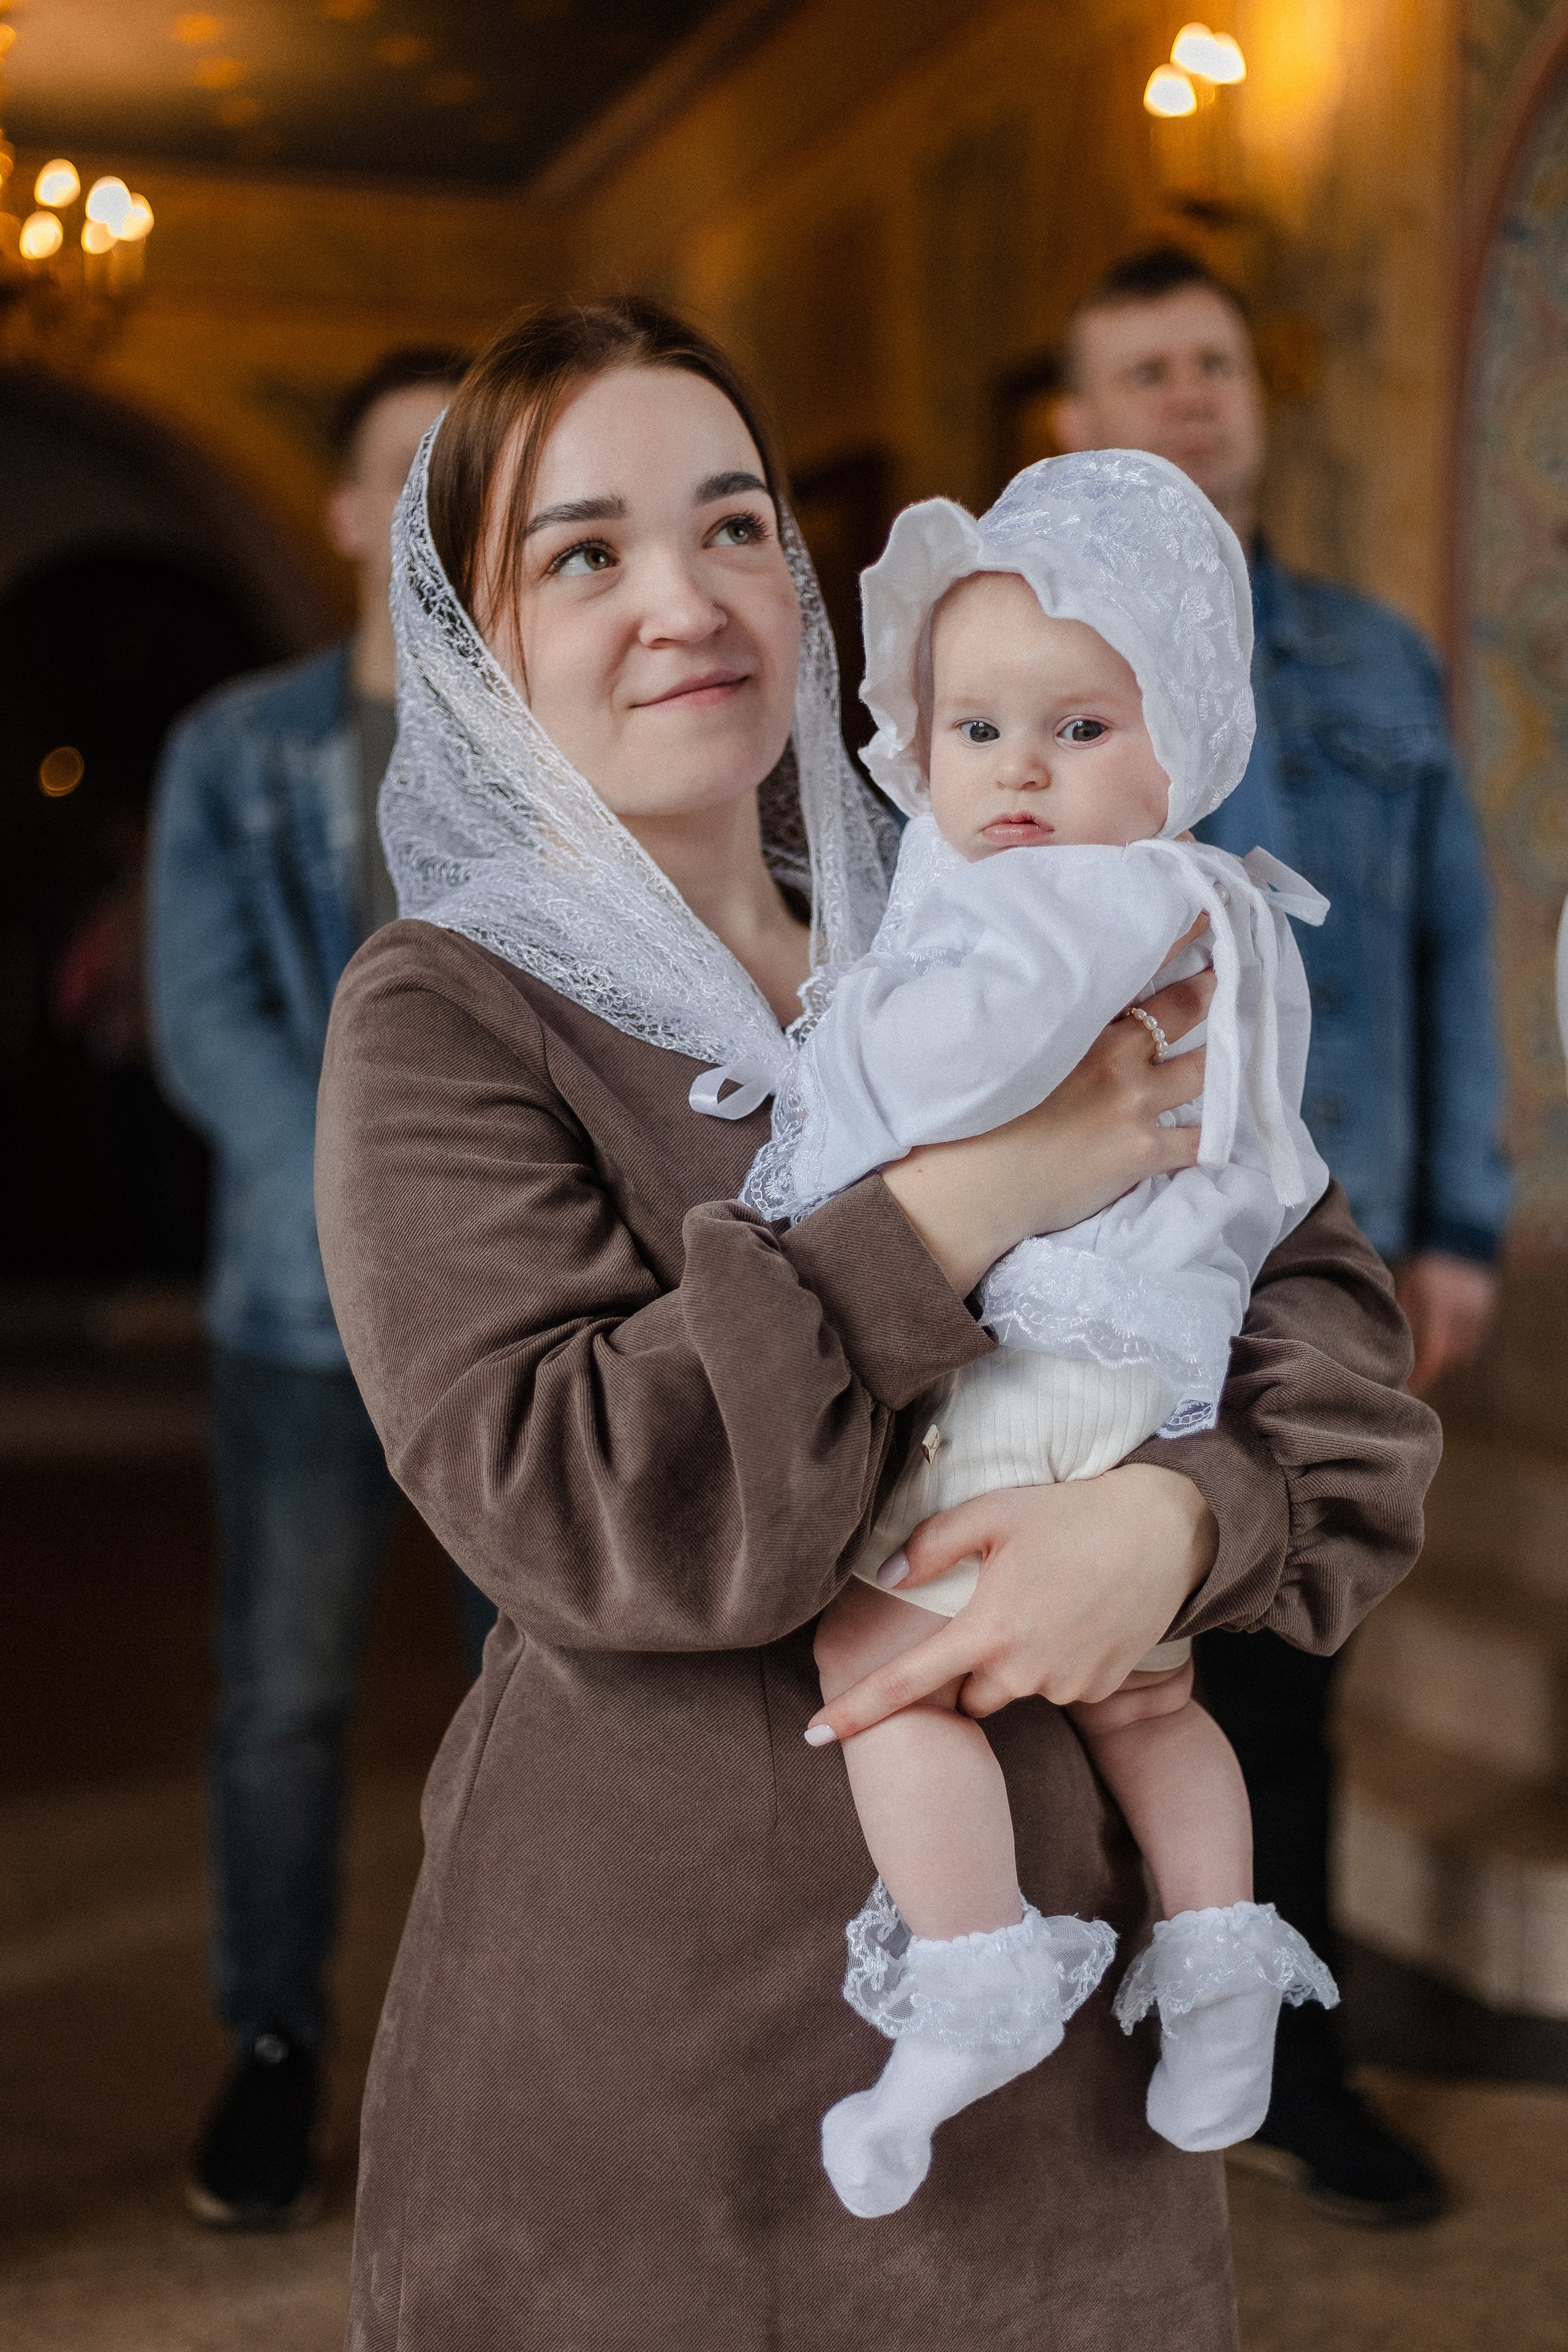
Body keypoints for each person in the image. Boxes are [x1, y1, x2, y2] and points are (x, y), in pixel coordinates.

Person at [313, 294, 1438, 2351]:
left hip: (1066, 2038)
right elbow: (573, 1496)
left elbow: (1322, 1330)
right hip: (656, 2040)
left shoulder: (1006, 889)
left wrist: (1174, 1525)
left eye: (734, 524)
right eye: (585, 552)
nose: (686, 599)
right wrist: (971, 1198)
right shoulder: (446, 1012)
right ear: (479, 640)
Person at [737, 452, 1338, 2222]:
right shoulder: (1204, 899)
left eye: (1078, 730)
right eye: (976, 729)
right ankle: (1220, 1969)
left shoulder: (1080, 900)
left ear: (1181, 748)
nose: (1014, 773)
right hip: (1143, 1377)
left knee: (879, 1654)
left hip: (1040, 1360)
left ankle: (974, 1971)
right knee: (1148, 1697)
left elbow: (952, 1073)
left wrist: (838, 1064)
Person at [1052, 244, 1512, 2223]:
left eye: (1215, 362)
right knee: (1092, 1662)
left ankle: (1290, 2072)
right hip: (1088, 1253)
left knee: (1294, 1667)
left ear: (1256, 400)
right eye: (1145, 366)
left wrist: (1459, 1224)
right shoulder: (1030, 662)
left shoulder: (1376, 659)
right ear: (1080, 421)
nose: (1190, 393)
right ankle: (1080, 2069)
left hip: (1329, 1255)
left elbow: (1452, 944)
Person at [146, 345, 496, 2231]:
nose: (438, 495)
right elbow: (211, 1026)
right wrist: (385, 1216)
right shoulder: (236, 746)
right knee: (282, 1700)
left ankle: (509, 2055)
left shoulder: (550, 745)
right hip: (299, 1316)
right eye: (406, 465)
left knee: (539, 1689)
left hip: (518, 1320)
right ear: (353, 511)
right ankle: (272, 2050)